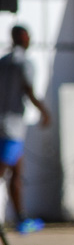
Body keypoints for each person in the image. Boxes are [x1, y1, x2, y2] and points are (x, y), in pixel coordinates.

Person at [0, 26, 51, 226]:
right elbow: (29, 90)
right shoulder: (24, 63)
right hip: (12, 126)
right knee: (7, 171)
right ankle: (21, 218)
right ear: (22, 37)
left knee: (17, 172)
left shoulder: (3, 62)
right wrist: (44, 112)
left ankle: (21, 218)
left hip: (4, 123)